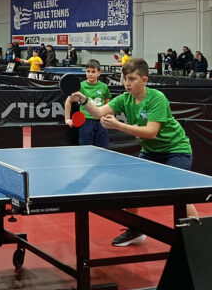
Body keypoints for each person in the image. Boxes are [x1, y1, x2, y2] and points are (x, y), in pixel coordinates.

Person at [70, 57, 198, 246]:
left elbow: (151, 132)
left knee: (178, 194)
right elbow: (98, 112)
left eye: (132, 79)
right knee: (133, 189)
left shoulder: (157, 98)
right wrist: (83, 99)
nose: (127, 83)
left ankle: (197, 236)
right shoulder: (125, 98)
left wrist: (119, 126)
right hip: (150, 151)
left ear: (144, 80)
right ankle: (135, 229)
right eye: (125, 79)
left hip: (176, 150)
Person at [63, 59, 111, 148]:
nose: (90, 74)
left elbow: (107, 103)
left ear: (99, 73)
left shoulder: (104, 87)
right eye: (88, 71)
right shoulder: (80, 86)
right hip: (85, 121)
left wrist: (107, 116)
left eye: (93, 71)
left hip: (101, 121)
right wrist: (67, 119)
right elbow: (68, 101)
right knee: (85, 149)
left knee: (103, 149)